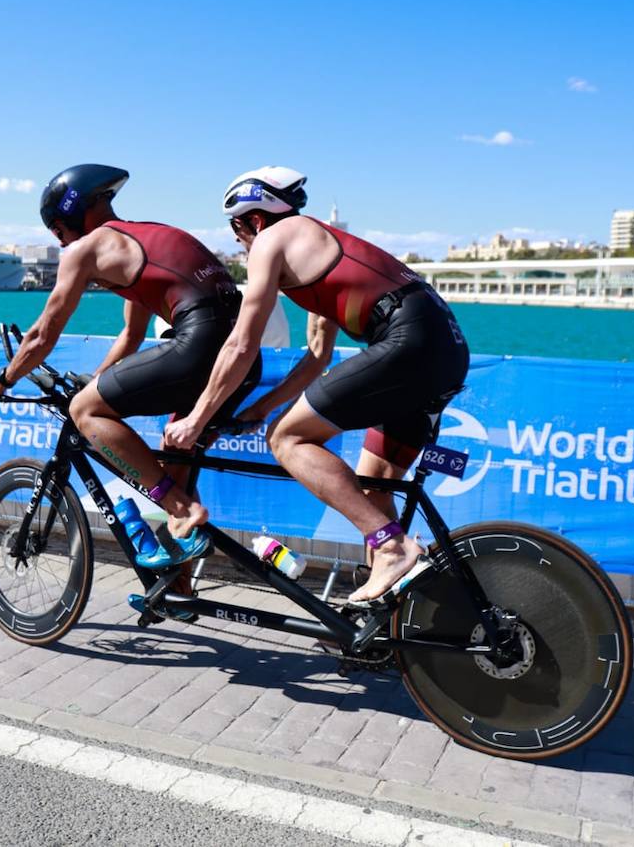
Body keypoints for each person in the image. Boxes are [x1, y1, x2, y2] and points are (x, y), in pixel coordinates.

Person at [163, 166, 468, 604]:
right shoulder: (320, 250)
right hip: (444, 348)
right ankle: (390, 615)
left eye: (236, 226)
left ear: (255, 218)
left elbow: (242, 344)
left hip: (409, 342)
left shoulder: (273, 239)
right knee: (372, 487)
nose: (236, 239)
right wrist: (260, 407)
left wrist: (197, 418)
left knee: (287, 438)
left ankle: (393, 548)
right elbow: (317, 357)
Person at [0, 164, 260, 610]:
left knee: (86, 414)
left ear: (72, 220)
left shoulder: (87, 249)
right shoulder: (140, 238)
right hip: (240, 355)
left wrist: (4, 379)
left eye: (59, 232)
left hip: (201, 343)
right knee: (173, 455)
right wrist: (95, 382)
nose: (62, 244)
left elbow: (42, 335)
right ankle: (178, 587)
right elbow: (130, 339)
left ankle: (182, 512)